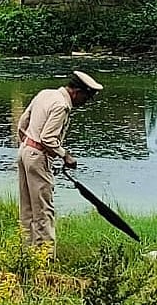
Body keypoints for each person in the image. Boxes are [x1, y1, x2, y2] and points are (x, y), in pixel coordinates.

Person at [16, 71, 103, 253]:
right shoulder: (62, 105)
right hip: (38, 157)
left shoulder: (45, 93)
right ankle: (45, 257)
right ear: (76, 92)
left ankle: (26, 252)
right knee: (43, 210)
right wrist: (65, 155)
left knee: (27, 209)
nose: (85, 102)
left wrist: (27, 145)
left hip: (24, 152)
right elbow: (48, 138)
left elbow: (22, 123)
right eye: (86, 98)